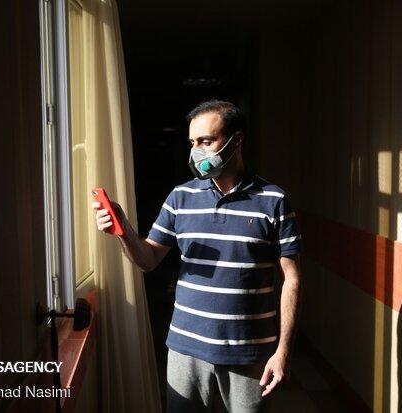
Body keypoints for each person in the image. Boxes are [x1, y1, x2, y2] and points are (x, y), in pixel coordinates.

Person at [92, 100, 301, 412]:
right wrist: (124, 230)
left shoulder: (274, 200)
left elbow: (292, 280)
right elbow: (148, 259)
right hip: (185, 346)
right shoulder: (180, 198)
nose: (197, 151)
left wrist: (283, 351)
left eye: (206, 141)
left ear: (237, 140)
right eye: (193, 143)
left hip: (249, 351)